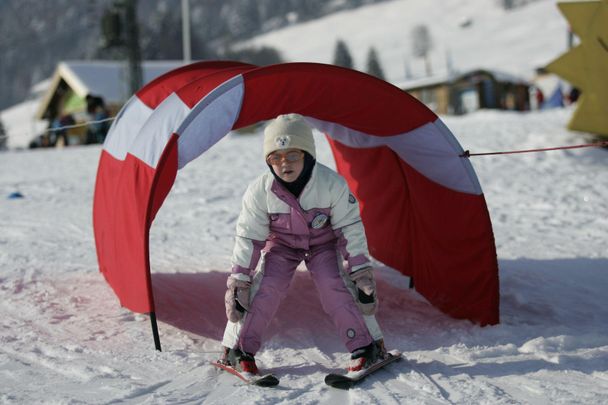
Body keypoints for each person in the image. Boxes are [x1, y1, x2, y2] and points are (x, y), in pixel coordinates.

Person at [218, 113, 386, 375]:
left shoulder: (331, 184)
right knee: (267, 286)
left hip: (322, 244)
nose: (284, 164)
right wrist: (240, 280)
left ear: (307, 155)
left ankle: (366, 346)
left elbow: (350, 227)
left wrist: (361, 272)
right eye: (276, 157)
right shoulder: (260, 191)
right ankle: (238, 349)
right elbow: (248, 237)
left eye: (293, 155)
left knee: (334, 284)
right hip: (282, 245)